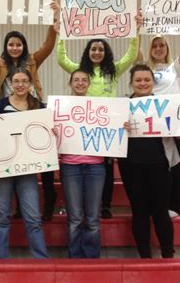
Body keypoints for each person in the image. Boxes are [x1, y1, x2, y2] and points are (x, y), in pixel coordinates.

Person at [0, 2, 60, 221]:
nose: (15, 48)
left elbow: (47, 46)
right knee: (14, 161)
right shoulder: (0, 64)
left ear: (23, 46)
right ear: (6, 46)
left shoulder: (32, 60)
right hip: (8, 115)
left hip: (32, 110)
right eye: (11, 44)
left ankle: (49, 199)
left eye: (18, 44)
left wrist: (54, 21)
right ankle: (20, 207)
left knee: (43, 158)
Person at [56, 15, 141, 219]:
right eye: (93, 49)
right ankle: (80, 204)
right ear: (88, 52)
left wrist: (135, 32)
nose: (97, 52)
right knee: (83, 166)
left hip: (106, 126)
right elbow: (61, 59)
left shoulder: (114, 71)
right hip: (82, 125)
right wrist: (60, 34)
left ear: (106, 53)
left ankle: (105, 204)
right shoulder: (80, 71)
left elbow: (130, 56)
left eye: (101, 49)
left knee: (106, 166)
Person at [119, 64, 180, 258]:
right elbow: (109, 137)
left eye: (147, 80)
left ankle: (167, 253)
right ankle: (145, 255)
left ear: (153, 83)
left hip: (160, 165)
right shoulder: (121, 107)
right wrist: (119, 128)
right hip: (131, 167)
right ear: (131, 83)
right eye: (138, 80)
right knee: (139, 211)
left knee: (160, 211)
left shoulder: (166, 106)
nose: (142, 83)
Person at [137, 12, 180, 217]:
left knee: (173, 167)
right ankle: (156, 205)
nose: (158, 49)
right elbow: (135, 51)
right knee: (154, 170)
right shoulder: (144, 68)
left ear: (167, 48)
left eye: (162, 45)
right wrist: (138, 28)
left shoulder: (175, 67)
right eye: (155, 45)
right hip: (150, 127)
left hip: (173, 126)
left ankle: (175, 206)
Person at [0, 68, 50, 259]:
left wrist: (51, 134)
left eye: (24, 81)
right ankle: (1, 261)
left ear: (30, 84)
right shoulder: (1, 105)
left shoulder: (38, 106)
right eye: (16, 81)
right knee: (2, 216)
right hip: (3, 169)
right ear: (10, 83)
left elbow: (44, 134)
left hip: (26, 169)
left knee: (32, 217)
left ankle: (41, 260)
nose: (20, 84)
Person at [59, 69, 105, 258]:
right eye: (76, 80)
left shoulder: (101, 107)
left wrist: (121, 127)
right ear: (70, 83)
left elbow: (111, 131)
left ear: (89, 84)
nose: (80, 83)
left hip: (96, 166)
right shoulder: (60, 108)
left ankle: (92, 261)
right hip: (70, 166)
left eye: (83, 80)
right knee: (75, 218)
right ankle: (75, 259)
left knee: (93, 218)